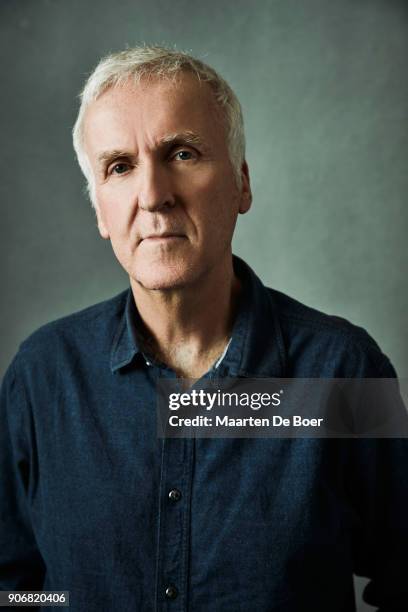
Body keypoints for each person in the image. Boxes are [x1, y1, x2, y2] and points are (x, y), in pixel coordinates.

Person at [0, 45, 406, 612]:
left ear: (241, 184)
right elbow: (16, 590)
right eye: (119, 167)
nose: (153, 195)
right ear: (99, 210)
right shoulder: (39, 379)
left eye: (183, 153)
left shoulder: (345, 370)